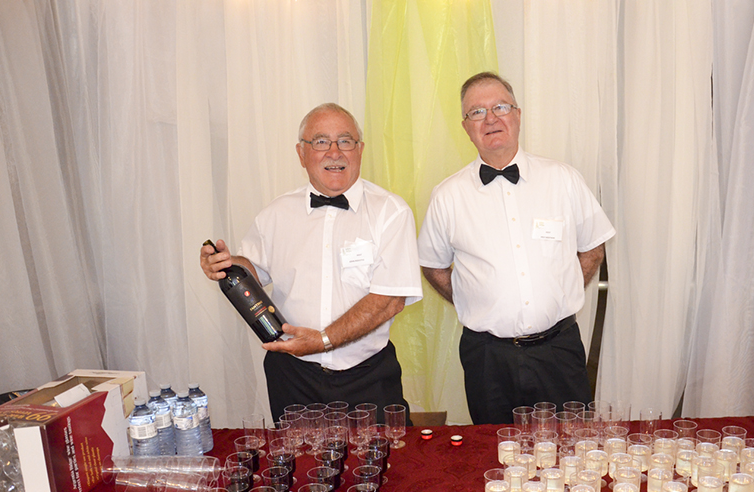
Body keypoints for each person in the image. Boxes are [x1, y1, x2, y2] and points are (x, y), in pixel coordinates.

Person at [201, 103, 422, 423]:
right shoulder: (276, 214)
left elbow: (389, 301)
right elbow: (253, 270)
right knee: (300, 468)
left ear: (360, 150)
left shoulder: (391, 212)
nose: (334, 152)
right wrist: (224, 263)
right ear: (301, 153)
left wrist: (323, 340)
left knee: (380, 466)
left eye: (345, 141)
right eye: (320, 142)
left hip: (368, 378)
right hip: (293, 378)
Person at [418, 72, 616, 425]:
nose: (490, 118)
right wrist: (472, 298)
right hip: (487, 359)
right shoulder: (447, 196)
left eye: (500, 107)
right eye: (476, 112)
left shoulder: (563, 179)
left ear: (518, 114)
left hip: (559, 351)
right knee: (496, 456)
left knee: (570, 453)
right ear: (465, 126)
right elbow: (433, 266)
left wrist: (561, 289)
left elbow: (593, 249)